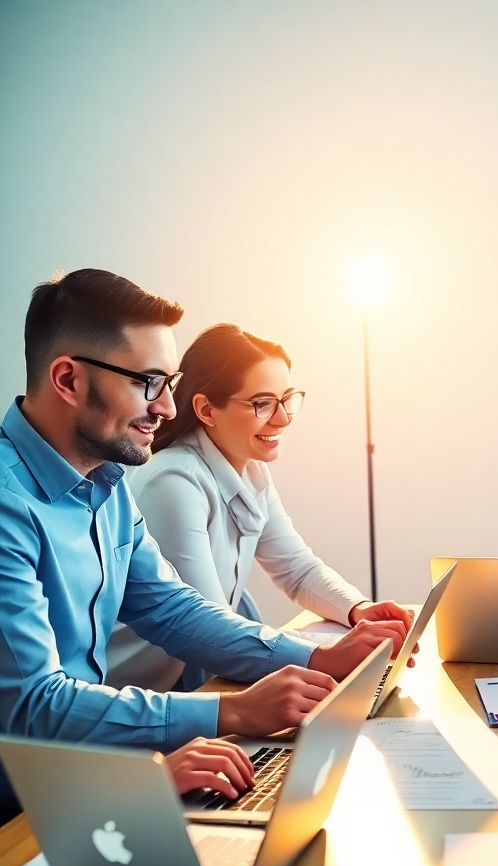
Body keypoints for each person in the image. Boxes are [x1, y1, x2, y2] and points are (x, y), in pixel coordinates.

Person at [0, 269, 409, 823]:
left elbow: (171, 608)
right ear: (68, 381)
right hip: (25, 809)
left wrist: (317, 659)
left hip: (88, 777)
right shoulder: (8, 503)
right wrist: (228, 712)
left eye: (170, 383)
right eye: (149, 383)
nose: (168, 408)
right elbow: (33, 706)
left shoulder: (105, 483)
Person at [106, 323, 411, 692]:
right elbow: (208, 626)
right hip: (142, 696)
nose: (282, 418)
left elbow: (297, 570)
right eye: (262, 404)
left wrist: (357, 609)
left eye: (286, 399)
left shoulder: (251, 470)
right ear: (205, 409)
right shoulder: (173, 482)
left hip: (204, 680)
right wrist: (333, 654)